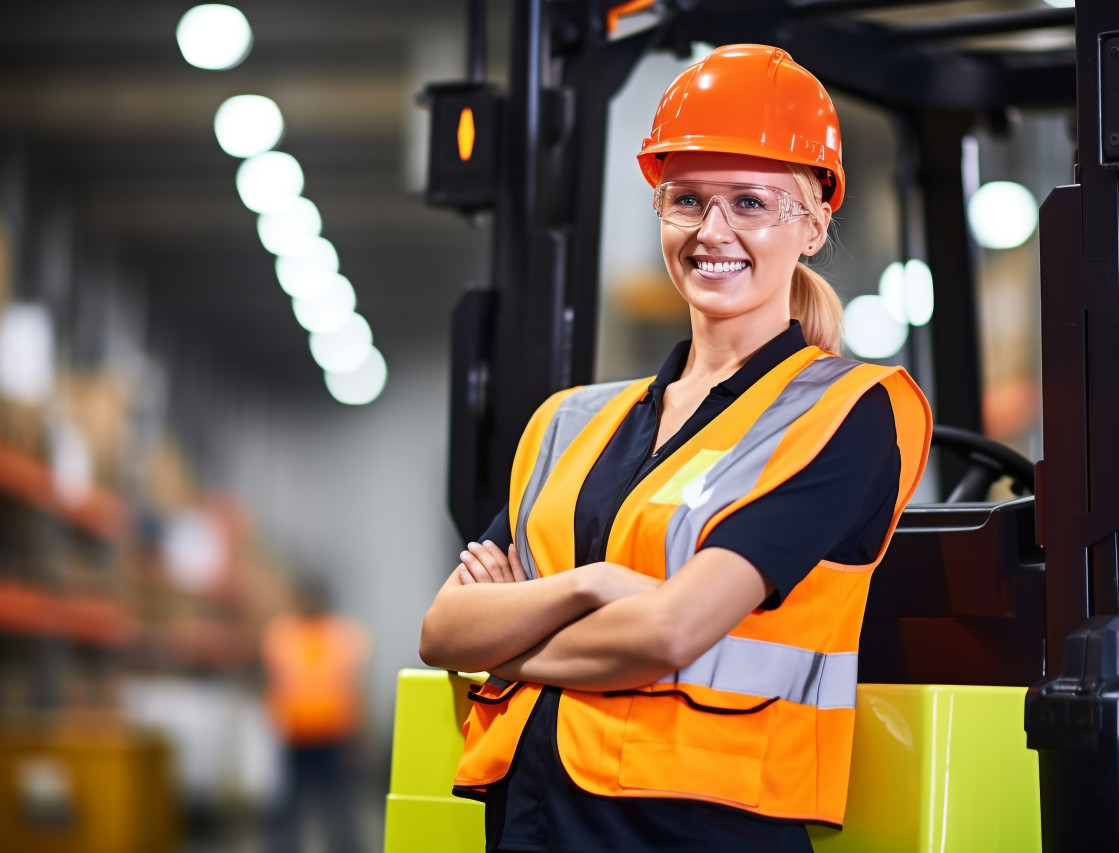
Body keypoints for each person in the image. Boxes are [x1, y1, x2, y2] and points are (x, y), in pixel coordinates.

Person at [419, 44, 931, 853]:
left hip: (690, 832)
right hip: (531, 822)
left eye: (750, 203)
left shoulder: (847, 412)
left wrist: (513, 646)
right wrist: (596, 585)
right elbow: (444, 630)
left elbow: (670, 632)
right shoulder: (571, 423)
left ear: (814, 222)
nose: (712, 230)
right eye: (687, 199)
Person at [262, 576, 371, 853]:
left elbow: (355, 688)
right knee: (289, 805)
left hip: (334, 733)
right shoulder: (281, 634)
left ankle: (347, 847)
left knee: (339, 804)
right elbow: (272, 682)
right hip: (294, 734)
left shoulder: (344, 635)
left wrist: (360, 736)